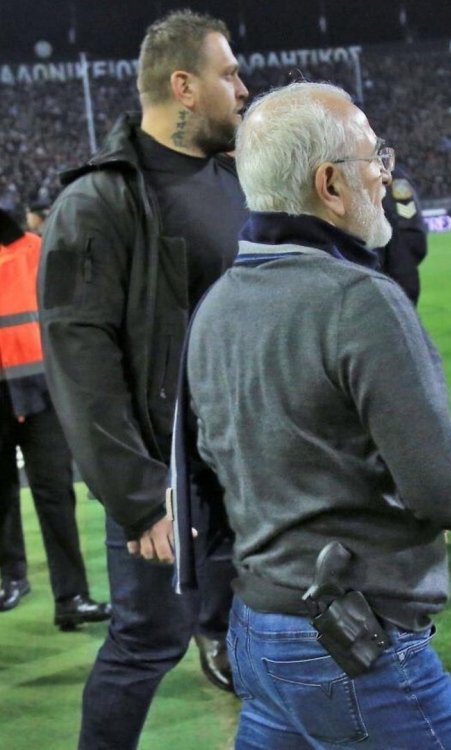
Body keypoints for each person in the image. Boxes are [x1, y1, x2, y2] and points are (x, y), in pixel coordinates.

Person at [183, 81, 451, 750]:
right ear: (330, 183)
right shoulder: (358, 300)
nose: (385, 174)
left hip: (258, 625)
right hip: (347, 637)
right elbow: (446, 488)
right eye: (374, 158)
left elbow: (217, 459)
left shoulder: (216, 304)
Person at [38, 10, 249, 749]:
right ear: (184, 86)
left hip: (248, 465)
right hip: (170, 480)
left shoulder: (237, 179)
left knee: (269, 632)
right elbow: (82, 365)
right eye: (229, 73)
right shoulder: (99, 203)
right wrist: (138, 499)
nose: (242, 88)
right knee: (147, 644)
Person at [0, 208, 110, 626]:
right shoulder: (37, 249)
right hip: (23, 391)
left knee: (55, 495)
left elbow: (70, 319)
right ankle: (12, 578)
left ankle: (71, 597)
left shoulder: (39, 250)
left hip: (42, 392)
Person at [378, 164, 428, 305]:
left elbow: (409, 224)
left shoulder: (391, 176)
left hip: (394, 266)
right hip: (397, 267)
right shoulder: (395, 175)